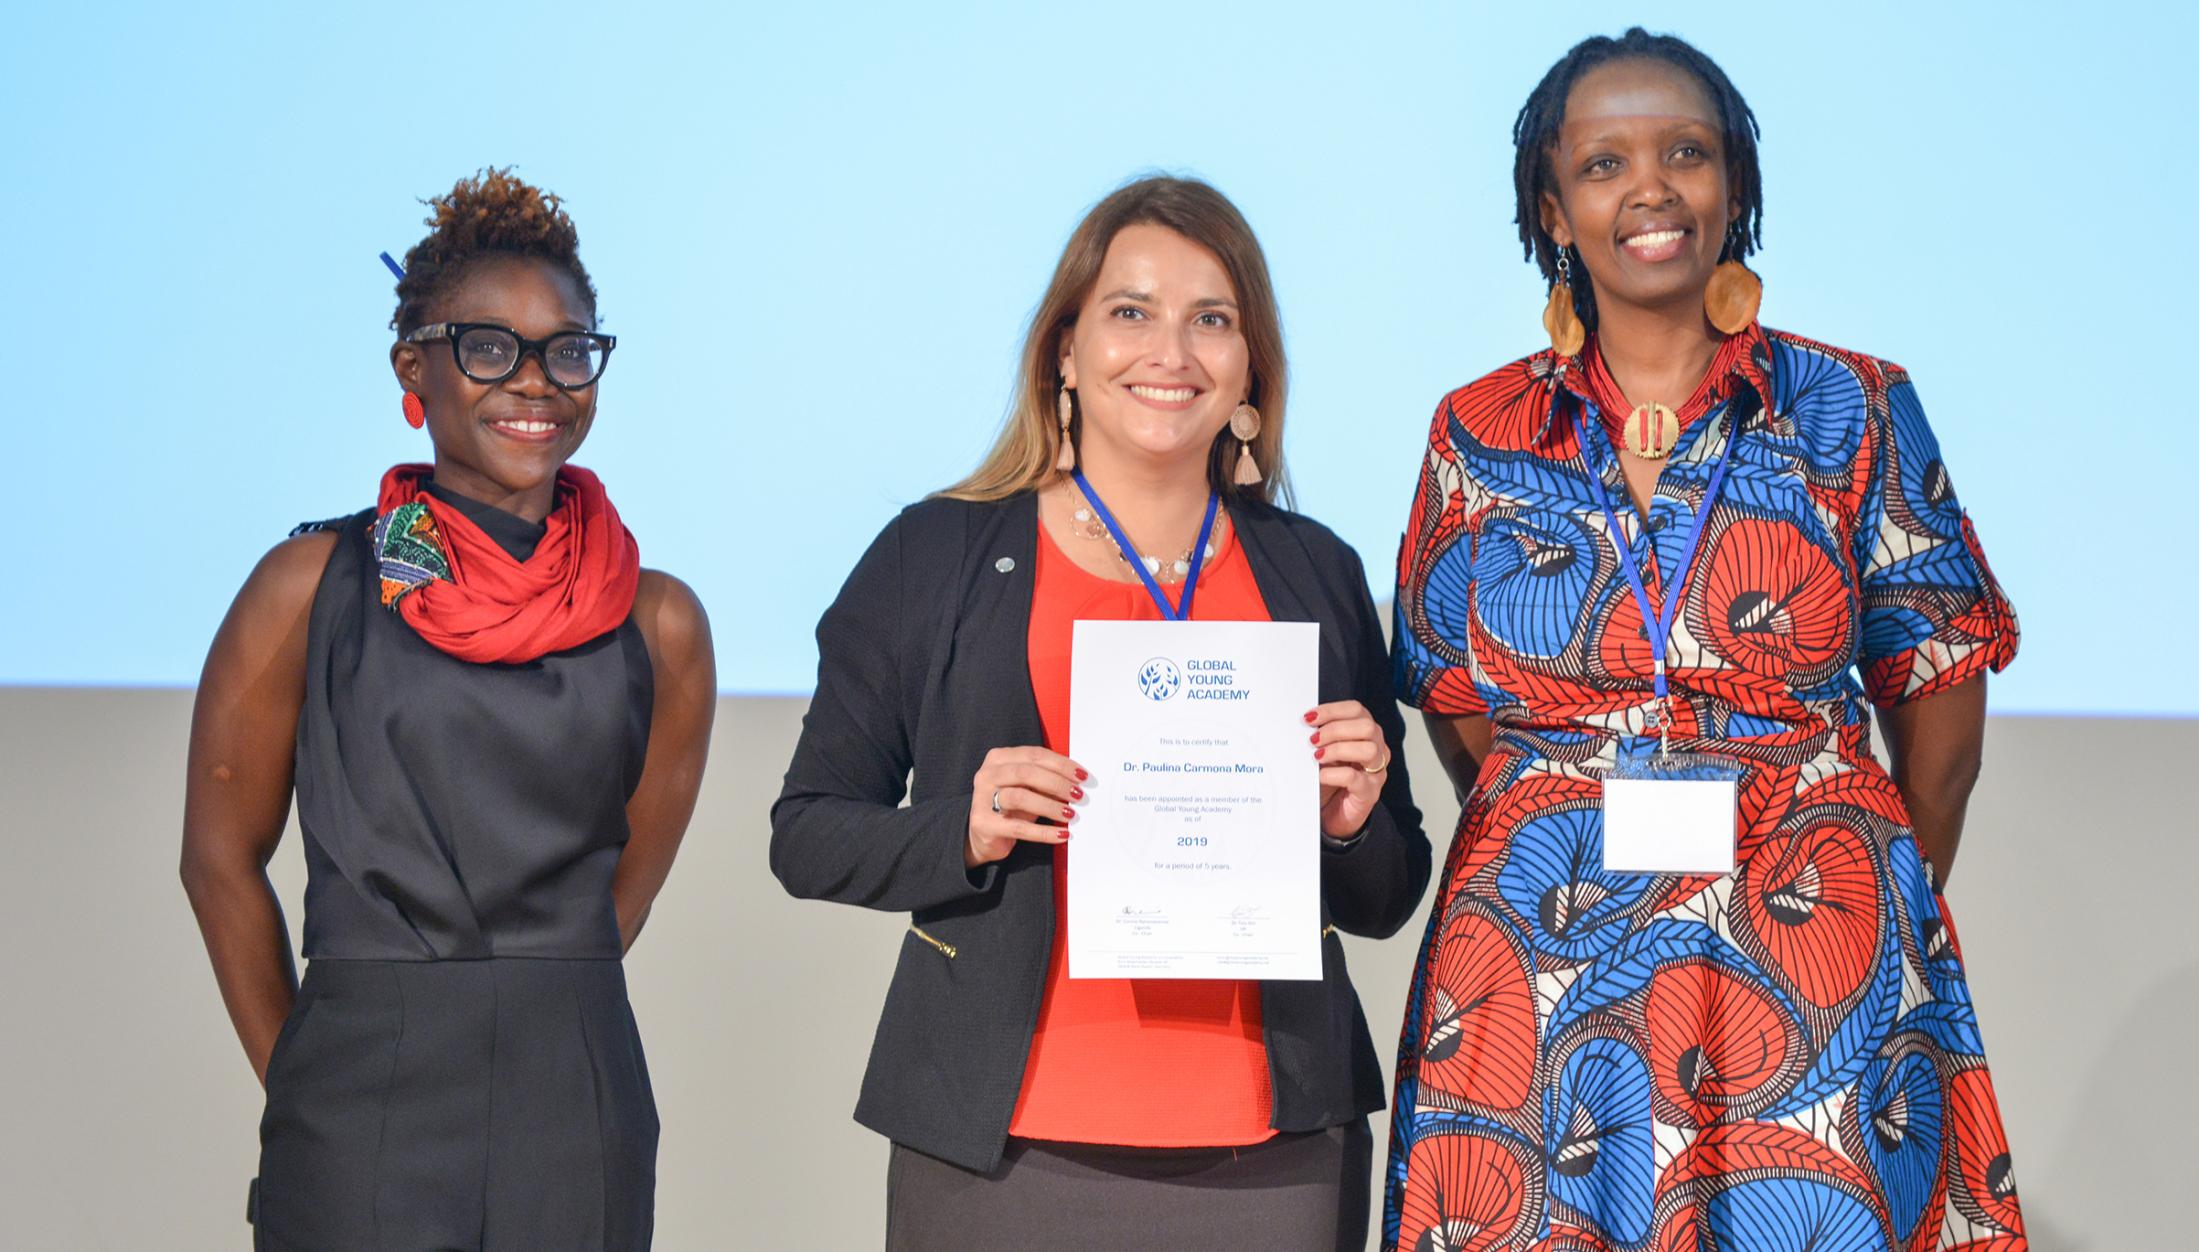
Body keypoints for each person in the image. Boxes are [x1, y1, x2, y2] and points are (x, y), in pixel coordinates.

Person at [1384, 29, 2027, 1251]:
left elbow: (1937, 709)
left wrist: (1856, 880)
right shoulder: (1477, 430)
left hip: (1811, 962)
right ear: (1554, 208)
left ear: (1735, 183)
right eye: (1605, 163)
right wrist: (1580, 813)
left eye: (1686, 153)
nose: (1651, 190)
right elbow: (1458, 703)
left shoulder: (1854, 405)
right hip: (1544, 966)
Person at [771, 175, 1429, 1251]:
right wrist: (966, 827)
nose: (1170, 351)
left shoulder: (1315, 570)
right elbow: (805, 834)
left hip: (1274, 1156)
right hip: (1003, 1144)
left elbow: (1389, 890)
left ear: (1250, 365)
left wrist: (1351, 822)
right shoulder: (932, 556)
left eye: (1211, 319)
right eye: (1130, 312)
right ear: (1064, 354)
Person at [179, 169, 715, 1251]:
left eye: (569, 349)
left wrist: (531, 1003)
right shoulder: (309, 586)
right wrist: (310, 1077)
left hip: (574, 1089)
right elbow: (217, 859)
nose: (536, 381)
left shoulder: (658, 622)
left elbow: (625, 891)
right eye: (488, 346)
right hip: (358, 1092)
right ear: (412, 369)